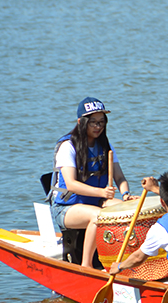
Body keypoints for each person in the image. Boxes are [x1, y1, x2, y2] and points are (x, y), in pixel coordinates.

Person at [49, 97, 136, 269]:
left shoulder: (105, 145)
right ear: (81, 122)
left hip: (96, 201)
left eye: (102, 122)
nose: (98, 127)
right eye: (93, 122)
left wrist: (126, 195)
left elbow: (120, 178)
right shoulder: (68, 146)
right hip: (65, 208)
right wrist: (102, 193)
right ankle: (87, 266)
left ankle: (121, 260)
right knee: (98, 216)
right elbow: (72, 184)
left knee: (130, 212)